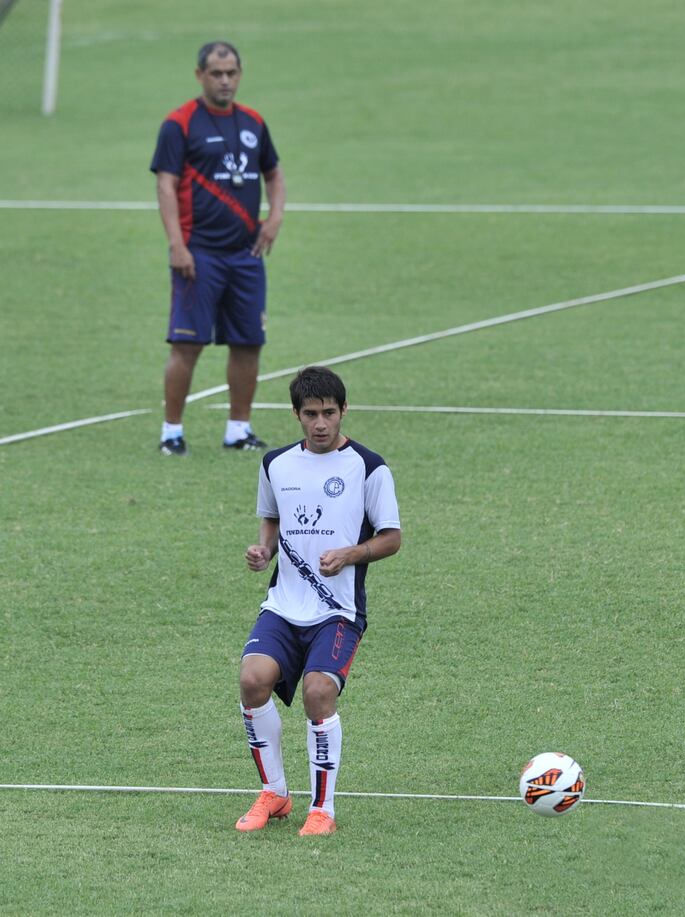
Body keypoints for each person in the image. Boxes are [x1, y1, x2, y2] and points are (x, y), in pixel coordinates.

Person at [236, 366, 401, 836]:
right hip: (284, 605)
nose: (321, 423)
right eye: (311, 414)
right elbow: (271, 519)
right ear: (296, 415)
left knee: (318, 692)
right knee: (252, 680)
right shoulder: (275, 464)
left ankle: (322, 808)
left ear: (344, 410)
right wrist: (263, 549)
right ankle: (274, 793)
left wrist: (353, 553)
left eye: (330, 412)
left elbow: (392, 537)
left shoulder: (369, 467)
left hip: (338, 611)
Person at [150, 41, 286, 455]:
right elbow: (166, 185)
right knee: (187, 344)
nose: (224, 80)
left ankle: (238, 430)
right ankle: (171, 432)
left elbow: (274, 173)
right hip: (199, 254)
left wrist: (275, 217)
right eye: (216, 73)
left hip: (245, 255)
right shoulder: (180, 124)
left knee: (248, 342)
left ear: (240, 74)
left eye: (231, 73)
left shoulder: (253, 122)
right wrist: (177, 244)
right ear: (200, 76)